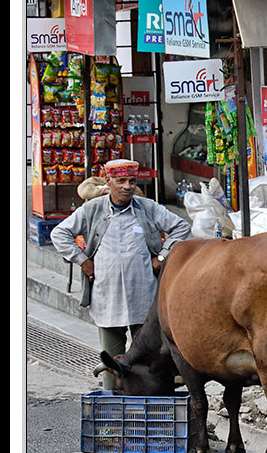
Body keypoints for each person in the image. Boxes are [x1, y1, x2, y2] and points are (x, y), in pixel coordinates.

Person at [51, 159, 191, 386]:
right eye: (121, 181)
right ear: (108, 182)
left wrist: (162, 257)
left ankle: (153, 409)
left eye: (132, 181)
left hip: (143, 295)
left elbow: (181, 227)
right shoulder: (92, 209)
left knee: (151, 361)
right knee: (111, 363)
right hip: (107, 297)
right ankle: (111, 408)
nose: (127, 186)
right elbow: (59, 234)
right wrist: (82, 260)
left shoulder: (147, 208)